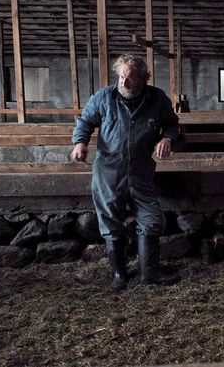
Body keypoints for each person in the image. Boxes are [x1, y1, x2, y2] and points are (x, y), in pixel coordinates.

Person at [71, 54, 180, 291]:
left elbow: (172, 124)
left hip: (141, 171)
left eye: (130, 78)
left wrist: (168, 137)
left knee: (151, 219)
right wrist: (80, 142)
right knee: (110, 219)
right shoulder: (104, 97)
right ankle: (119, 275)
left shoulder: (157, 99)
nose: (124, 83)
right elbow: (85, 121)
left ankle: (149, 274)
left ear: (144, 78)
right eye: (121, 77)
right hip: (109, 171)